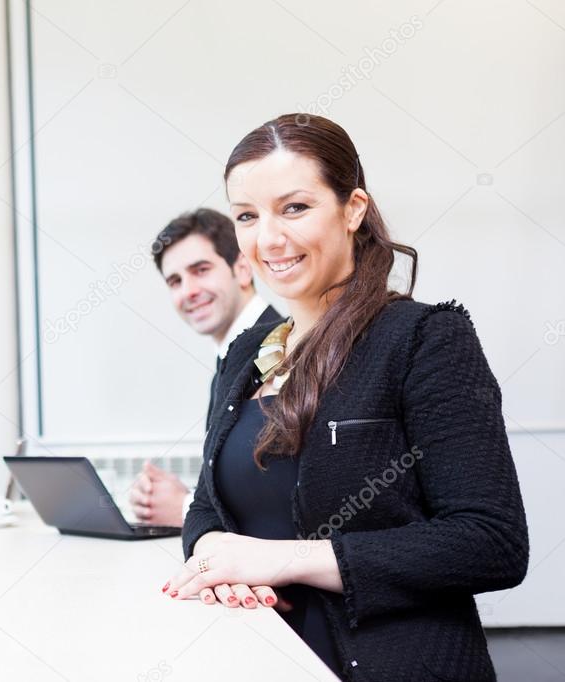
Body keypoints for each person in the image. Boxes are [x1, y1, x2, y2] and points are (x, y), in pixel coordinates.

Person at [162, 114, 528, 681]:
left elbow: (489, 540)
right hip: (262, 657)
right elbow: (208, 506)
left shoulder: (423, 339)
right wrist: (215, 555)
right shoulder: (247, 353)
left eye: (295, 208)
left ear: (353, 208)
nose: (269, 238)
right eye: (247, 216)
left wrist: (280, 561)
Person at [129, 209, 281, 526]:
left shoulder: (280, 350)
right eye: (175, 281)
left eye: (200, 270)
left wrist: (185, 508)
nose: (188, 291)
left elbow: (278, 497)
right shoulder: (230, 362)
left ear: (242, 269)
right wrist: (181, 499)